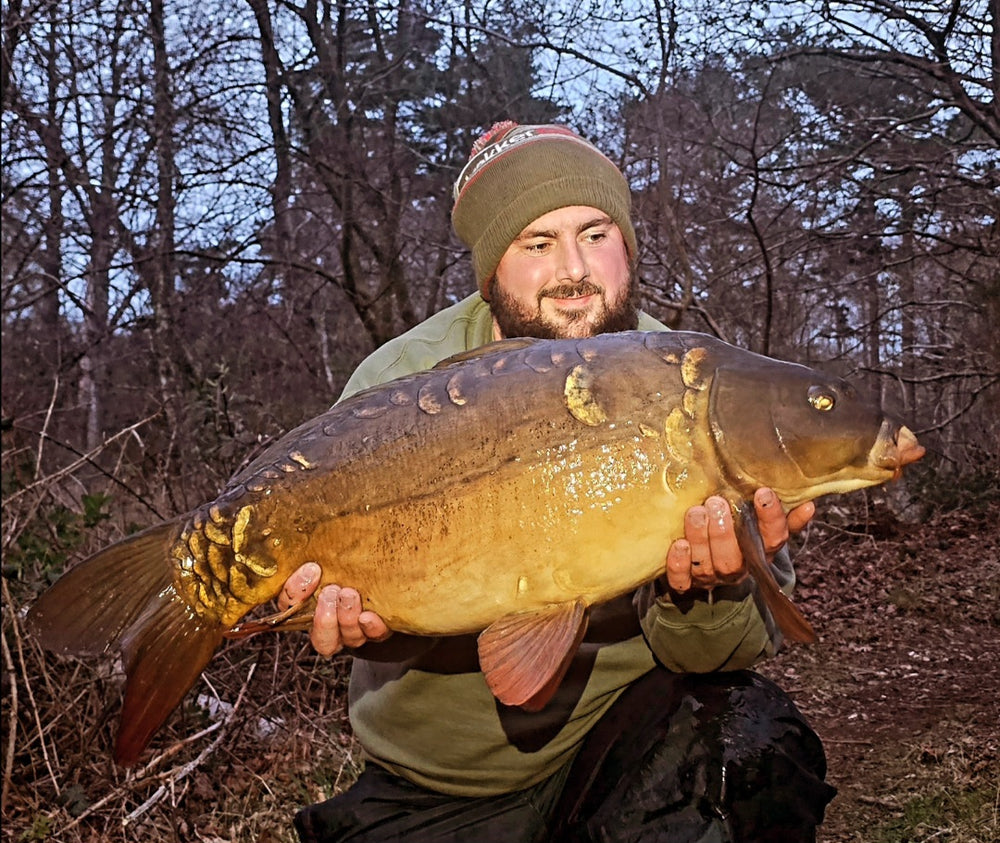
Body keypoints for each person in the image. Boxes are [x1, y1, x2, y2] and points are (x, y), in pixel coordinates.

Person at [284, 122, 836, 842]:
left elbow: (722, 657)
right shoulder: (400, 384)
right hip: (440, 779)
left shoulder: (700, 384)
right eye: (537, 244)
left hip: (624, 746)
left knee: (759, 745)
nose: (573, 270)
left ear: (627, 244)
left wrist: (706, 589)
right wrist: (375, 630)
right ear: (492, 271)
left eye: (596, 233)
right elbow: (353, 604)